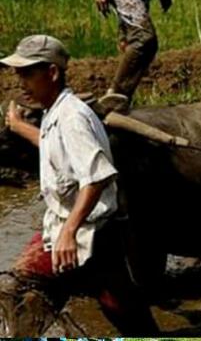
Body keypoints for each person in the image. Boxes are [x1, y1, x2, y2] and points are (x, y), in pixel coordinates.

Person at [0, 35, 159, 335]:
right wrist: (22, 128)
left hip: (90, 235)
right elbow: (54, 148)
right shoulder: (55, 112)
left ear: (52, 73)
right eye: (18, 74)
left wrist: (69, 232)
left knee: (18, 286)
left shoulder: (73, 117)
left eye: (27, 74)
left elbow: (96, 176)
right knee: (123, 310)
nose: (20, 83)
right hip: (76, 232)